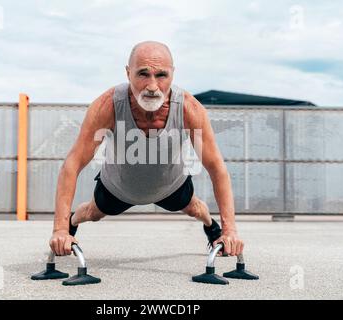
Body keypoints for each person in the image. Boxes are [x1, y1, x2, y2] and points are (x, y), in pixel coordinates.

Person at [49, 41, 243, 258]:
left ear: (173, 74)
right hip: (118, 187)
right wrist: (60, 230)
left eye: (161, 75)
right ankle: (72, 222)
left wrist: (230, 231)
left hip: (170, 185)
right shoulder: (107, 106)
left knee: (196, 208)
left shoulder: (190, 108)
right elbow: (73, 163)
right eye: (143, 74)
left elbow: (216, 167)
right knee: (92, 213)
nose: (152, 86)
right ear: (128, 73)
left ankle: (211, 227)